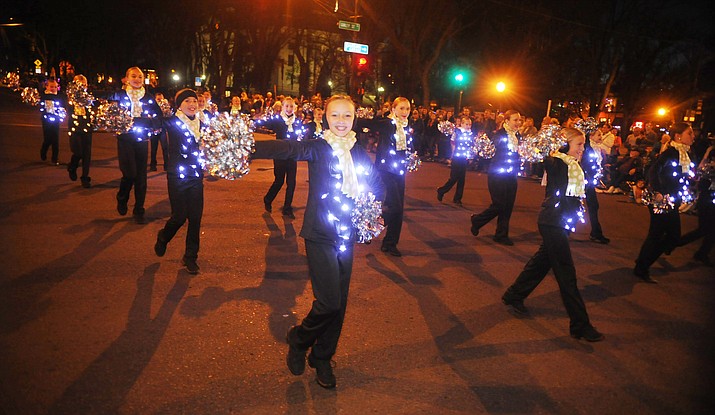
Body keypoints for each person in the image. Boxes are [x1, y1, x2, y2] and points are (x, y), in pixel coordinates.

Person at [252, 95, 385, 389]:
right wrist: (248, 147)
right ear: (325, 117)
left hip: (346, 236)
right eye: (335, 115)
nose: (340, 121)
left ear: (354, 119)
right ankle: (299, 340)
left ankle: (322, 357)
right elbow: (287, 147)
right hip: (320, 234)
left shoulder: (359, 153)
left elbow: (376, 183)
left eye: (346, 116)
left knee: (340, 304)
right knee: (328, 301)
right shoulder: (317, 147)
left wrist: (373, 207)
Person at [502, 127, 604, 342]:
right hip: (552, 222)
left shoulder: (575, 164)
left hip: (563, 222)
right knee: (566, 274)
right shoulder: (555, 162)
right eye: (578, 145)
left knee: (542, 262)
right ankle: (580, 324)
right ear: (565, 144)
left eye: (583, 145)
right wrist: (549, 140)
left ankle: (514, 294)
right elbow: (539, 154)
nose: (582, 149)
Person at [634, 122, 696, 283]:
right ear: (678, 136)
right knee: (659, 234)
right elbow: (654, 170)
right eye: (689, 133)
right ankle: (641, 266)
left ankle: (642, 262)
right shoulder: (671, 153)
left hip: (672, 199)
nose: (693, 136)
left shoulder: (685, 154)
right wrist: (660, 191)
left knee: (669, 236)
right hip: (661, 199)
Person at [154, 89, 206, 274]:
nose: (192, 104)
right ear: (179, 105)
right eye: (187, 101)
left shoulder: (203, 122)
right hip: (177, 176)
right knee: (179, 216)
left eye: (194, 100)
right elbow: (153, 123)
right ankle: (164, 236)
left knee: (195, 217)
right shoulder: (172, 121)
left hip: (196, 176)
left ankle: (190, 257)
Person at [356, 97, 414, 256]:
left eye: (407, 109)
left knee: (399, 209)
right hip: (385, 170)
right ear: (393, 109)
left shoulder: (407, 127)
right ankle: (370, 228)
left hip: (400, 171)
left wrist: (412, 157)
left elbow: (409, 147)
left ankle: (390, 243)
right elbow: (364, 124)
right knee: (394, 207)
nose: (405, 112)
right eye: (401, 108)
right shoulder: (387, 124)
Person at [107, 67, 162, 224]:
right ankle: (122, 197)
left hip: (142, 138)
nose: (137, 79)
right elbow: (108, 109)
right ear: (126, 78)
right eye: (133, 76)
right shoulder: (119, 95)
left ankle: (139, 209)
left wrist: (149, 123)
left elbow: (158, 117)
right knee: (130, 173)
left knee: (141, 177)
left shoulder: (148, 97)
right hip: (125, 138)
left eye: (140, 76)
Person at [470, 109, 522, 245]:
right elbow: (490, 151)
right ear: (506, 121)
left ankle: (501, 234)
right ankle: (478, 220)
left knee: (508, 205)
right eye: (515, 120)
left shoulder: (518, 136)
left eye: (519, 120)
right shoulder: (499, 135)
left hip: (511, 174)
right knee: (499, 204)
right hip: (497, 174)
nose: (518, 122)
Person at [255, 97, 306, 218]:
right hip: (279, 155)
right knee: (279, 181)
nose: (289, 109)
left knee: (291, 182)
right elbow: (264, 123)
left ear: (295, 108)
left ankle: (287, 208)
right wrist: (256, 120)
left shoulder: (297, 122)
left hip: (292, 155)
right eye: (287, 106)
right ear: (282, 107)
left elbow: (302, 135)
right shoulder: (277, 121)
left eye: (291, 106)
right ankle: (268, 199)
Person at [675, 141, 714, 266]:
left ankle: (702, 253)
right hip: (708, 199)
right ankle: (675, 242)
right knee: (704, 229)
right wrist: (707, 155)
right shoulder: (709, 167)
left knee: (711, 230)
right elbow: (701, 175)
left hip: (708, 198)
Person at [437, 116, 474, 205]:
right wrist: (452, 153)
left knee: (462, 179)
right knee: (454, 178)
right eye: (466, 124)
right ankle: (442, 190)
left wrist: (470, 156)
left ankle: (457, 198)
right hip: (457, 157)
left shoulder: (470, 134)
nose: (468, 126)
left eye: (470, 124)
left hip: (464, 158)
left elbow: (471, 146)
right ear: (462, 124)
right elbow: (452, 142)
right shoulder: (457, 131)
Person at [583, 129, 610, 243]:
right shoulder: (588, 147)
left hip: (588, 180)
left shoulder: (597, 149)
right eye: (598, 134)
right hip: (582, 179)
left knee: (593, 205)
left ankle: (596, 232)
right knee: (571, 205)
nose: (601, 136)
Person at [66, 75, 93, 188]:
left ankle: (85, 177)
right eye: (79, 85)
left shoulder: (89, 99)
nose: (82, 87)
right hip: (75, 129)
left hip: (87, 128)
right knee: (78, 152)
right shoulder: (70, 98)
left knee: (87, 155)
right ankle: (73, 166)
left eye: (84, 85)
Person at [39, 78, 67, 165]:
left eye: (55, 87)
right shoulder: (43, 95)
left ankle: (55, 158)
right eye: (51, 86)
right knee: (48, 138)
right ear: (46, 86)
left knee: (55, 139)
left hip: (56, 119)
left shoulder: (59, 96)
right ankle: (43, 150)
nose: (53, 88)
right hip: (46, 119)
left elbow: (64, 105)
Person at [149, 92, 170, 171]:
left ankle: (167, 164)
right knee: (154, 148)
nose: (160, 100)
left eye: (161, 98)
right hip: (154, 128)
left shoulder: (165, 106)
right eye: (158, 99)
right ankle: (153, 164)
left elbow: (168, 116)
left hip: (163, 128)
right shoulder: (152, 107)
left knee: (165, 147)